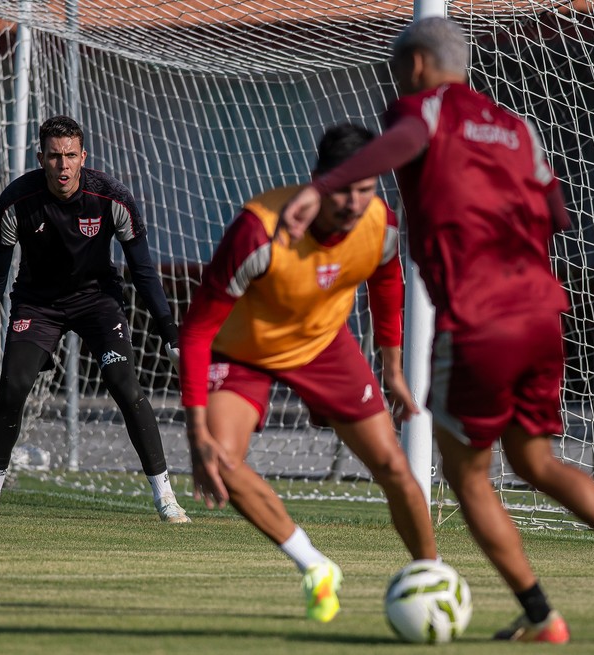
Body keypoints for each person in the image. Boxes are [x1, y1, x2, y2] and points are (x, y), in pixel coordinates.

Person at [280, 17, 594, 643]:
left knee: (467, 475)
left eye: (397, 71)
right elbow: (558, 214)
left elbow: (405, 139)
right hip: (543, 313)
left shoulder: (423, 109)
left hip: (479, 317)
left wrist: (325, 184)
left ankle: (540, 614)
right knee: (533, 460)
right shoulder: (516, 128)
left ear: (416, 65)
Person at [178, 124, 438, 623]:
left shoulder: (380, 222)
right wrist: (195, 432)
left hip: (322, 344)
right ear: (318, 180)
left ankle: (432, 574)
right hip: (241, 352)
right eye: (344, 188)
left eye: (367, 188)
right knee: (222, 460)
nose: (355, 201)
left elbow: (387, 280)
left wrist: (392, 368)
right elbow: (195, 332)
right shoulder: (258, 231)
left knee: (393, 465)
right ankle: (316, 567)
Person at [0, 115, 190, 525]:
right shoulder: (14, 203)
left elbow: (144, 272)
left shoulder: (112, 199)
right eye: (55, 156)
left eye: (71, 156)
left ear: (83, 157)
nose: (63, 165)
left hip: (98, 302)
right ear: (40, 157)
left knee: (124, 384)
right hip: (37, 305)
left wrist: (171, 336)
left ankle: (166, 496)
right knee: (13, 385)